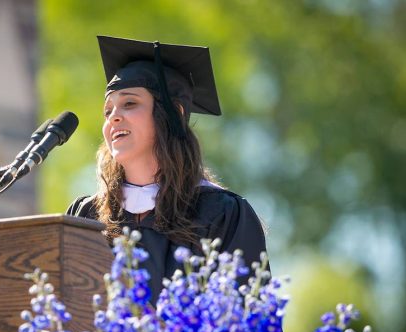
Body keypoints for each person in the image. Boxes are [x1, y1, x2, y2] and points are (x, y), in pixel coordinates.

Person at [67, 36, 270, 304]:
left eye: (129, 103)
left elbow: (245, 323)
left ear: (173, 112)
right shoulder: (88, 217)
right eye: (107, 111)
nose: (113, 117)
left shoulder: (220, 213)